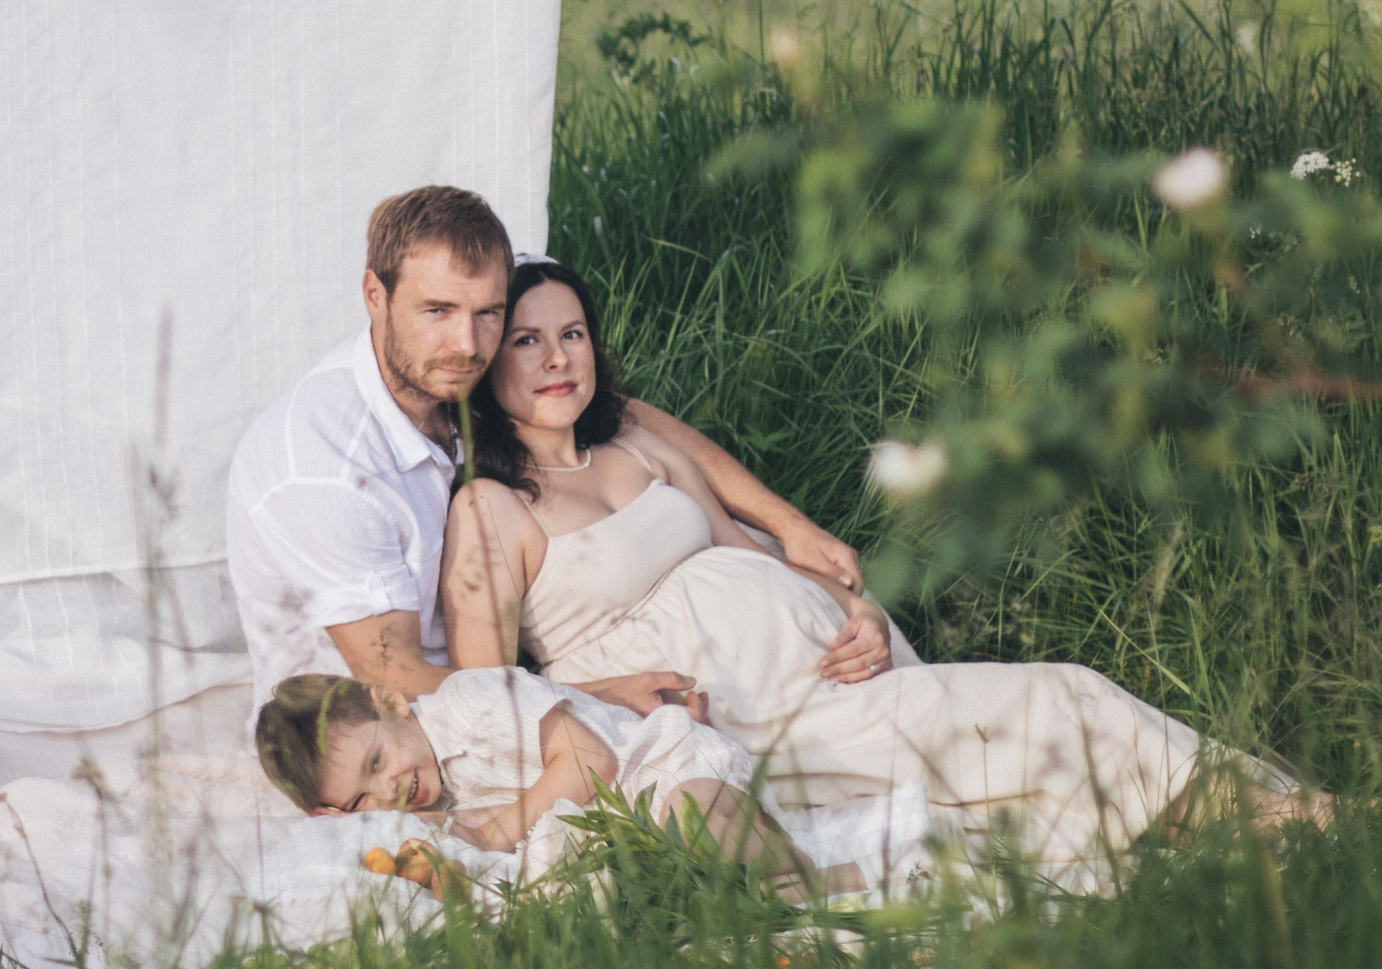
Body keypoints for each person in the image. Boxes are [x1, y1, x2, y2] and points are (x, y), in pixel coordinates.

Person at [435, 255, 1328, 885]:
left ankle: (1272, 822)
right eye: (526, 340)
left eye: (574, 332)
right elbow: (488, 696)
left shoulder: (631, 438)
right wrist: (614, 683)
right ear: (486, 364)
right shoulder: (491, 509)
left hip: (838, 662)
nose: (557, 358)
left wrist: (850, 608)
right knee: (1067, 700)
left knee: (1033, 739)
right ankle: (1304, 823)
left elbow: (741, 551)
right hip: (754, 719)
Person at [225, 185, 862, 717]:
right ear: (375, 295)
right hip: (373, 732)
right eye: (438, 311)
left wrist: (788, 525)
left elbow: (627, 414)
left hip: (510, 673)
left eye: (488, 315)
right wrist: (593, 697)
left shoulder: (444, 364)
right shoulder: (327, 467)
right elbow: (393, 681)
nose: (469, 343)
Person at [252, 667, 868, 903]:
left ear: (391, 702)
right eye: (363, 798)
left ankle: (834, 876)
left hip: (663, 769)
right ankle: (781, 893)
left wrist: (496, 831)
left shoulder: (468, 702)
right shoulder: (420, 810)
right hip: (628, 837)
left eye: (378, 761)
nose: (389, 790)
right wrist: (351, 824)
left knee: (690, 819)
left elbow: (589, 761)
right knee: (674, 900)